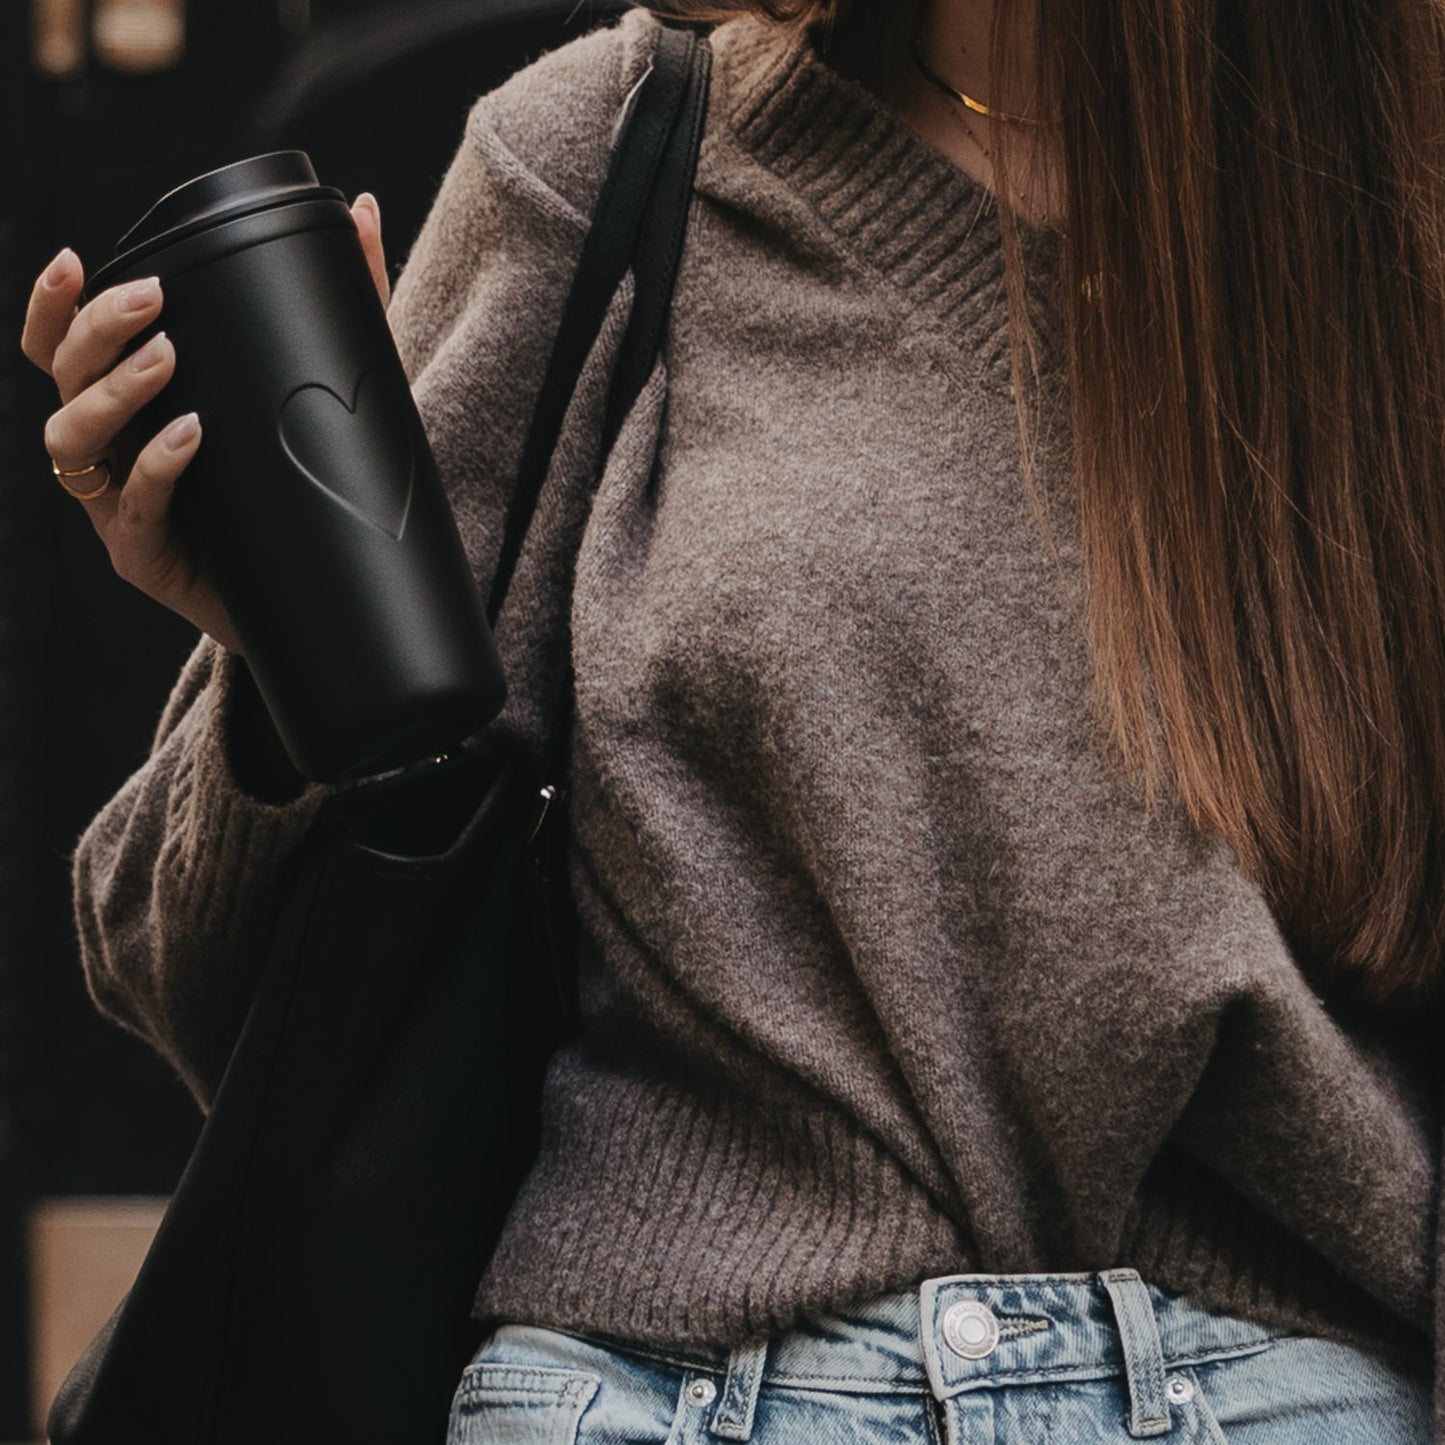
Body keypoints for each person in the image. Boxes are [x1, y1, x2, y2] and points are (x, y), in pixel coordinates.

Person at [22, 0, 1443, 1439]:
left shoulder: (1394, 240)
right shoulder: (616, 154)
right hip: (670, 1397)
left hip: (1286, 1396)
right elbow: (203, 986)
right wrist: (284, 643)